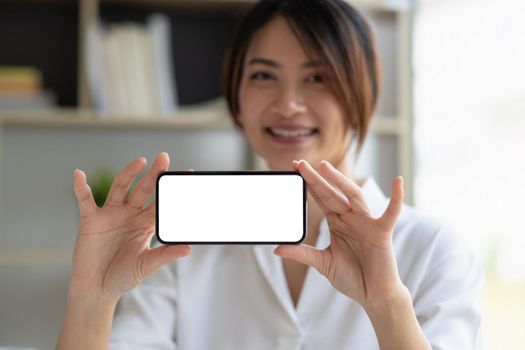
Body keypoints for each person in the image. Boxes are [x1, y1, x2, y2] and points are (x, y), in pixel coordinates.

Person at [56, 0, 483, 349]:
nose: (288, 103)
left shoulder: (434, 249)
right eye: (263, 75)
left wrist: (387, 304)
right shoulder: (184, 248)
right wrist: (92, 296)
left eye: (318, 77)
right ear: (236, 96)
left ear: (362, 93)